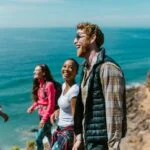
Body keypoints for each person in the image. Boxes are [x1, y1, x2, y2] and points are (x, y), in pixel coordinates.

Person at [72, 22, 126, 150]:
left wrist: (113, 147)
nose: (75, 41)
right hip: (89, 141)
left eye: (79, 36)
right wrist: (80, 137)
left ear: (92, 38)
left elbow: (114, 112)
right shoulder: (86, 69)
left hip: (101, 144)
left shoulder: (108, 68)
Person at [50, 58, 79, 150]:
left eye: (71, 67)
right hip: (60, 129)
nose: (66, 69)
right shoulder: (63, 85)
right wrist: (57, 111)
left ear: (76, 72)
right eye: (64, 66)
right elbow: (65, 105)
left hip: (68, 133)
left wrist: (77, 140)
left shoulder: (75, 90)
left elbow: (76, 117)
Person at [27, 64, 56, 150]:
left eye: (36, 70)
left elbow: (51, 104)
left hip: (46, 117)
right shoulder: (40, 85)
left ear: (43, 73)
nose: (34, 72)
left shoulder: (49, 85)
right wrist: (32, 107)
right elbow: (40, 101)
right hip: (41, 115)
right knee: (48, 135)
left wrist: (44, 119)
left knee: (38, 139)